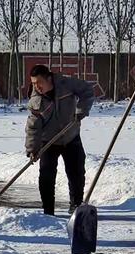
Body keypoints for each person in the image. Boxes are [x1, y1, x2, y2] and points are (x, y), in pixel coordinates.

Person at [25, 65, 94, 215]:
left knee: (76, 172)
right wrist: (32, 149)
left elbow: (87, 91)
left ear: (49, 78)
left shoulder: (66, 84)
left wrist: (81, 110)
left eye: (39, 82)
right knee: (46, 176)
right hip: (48, 141)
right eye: (34, 83)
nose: (36, 87)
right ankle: (48, 210)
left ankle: (76, 205)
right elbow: (33, 127)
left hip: (71, 135)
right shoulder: (36, 99)